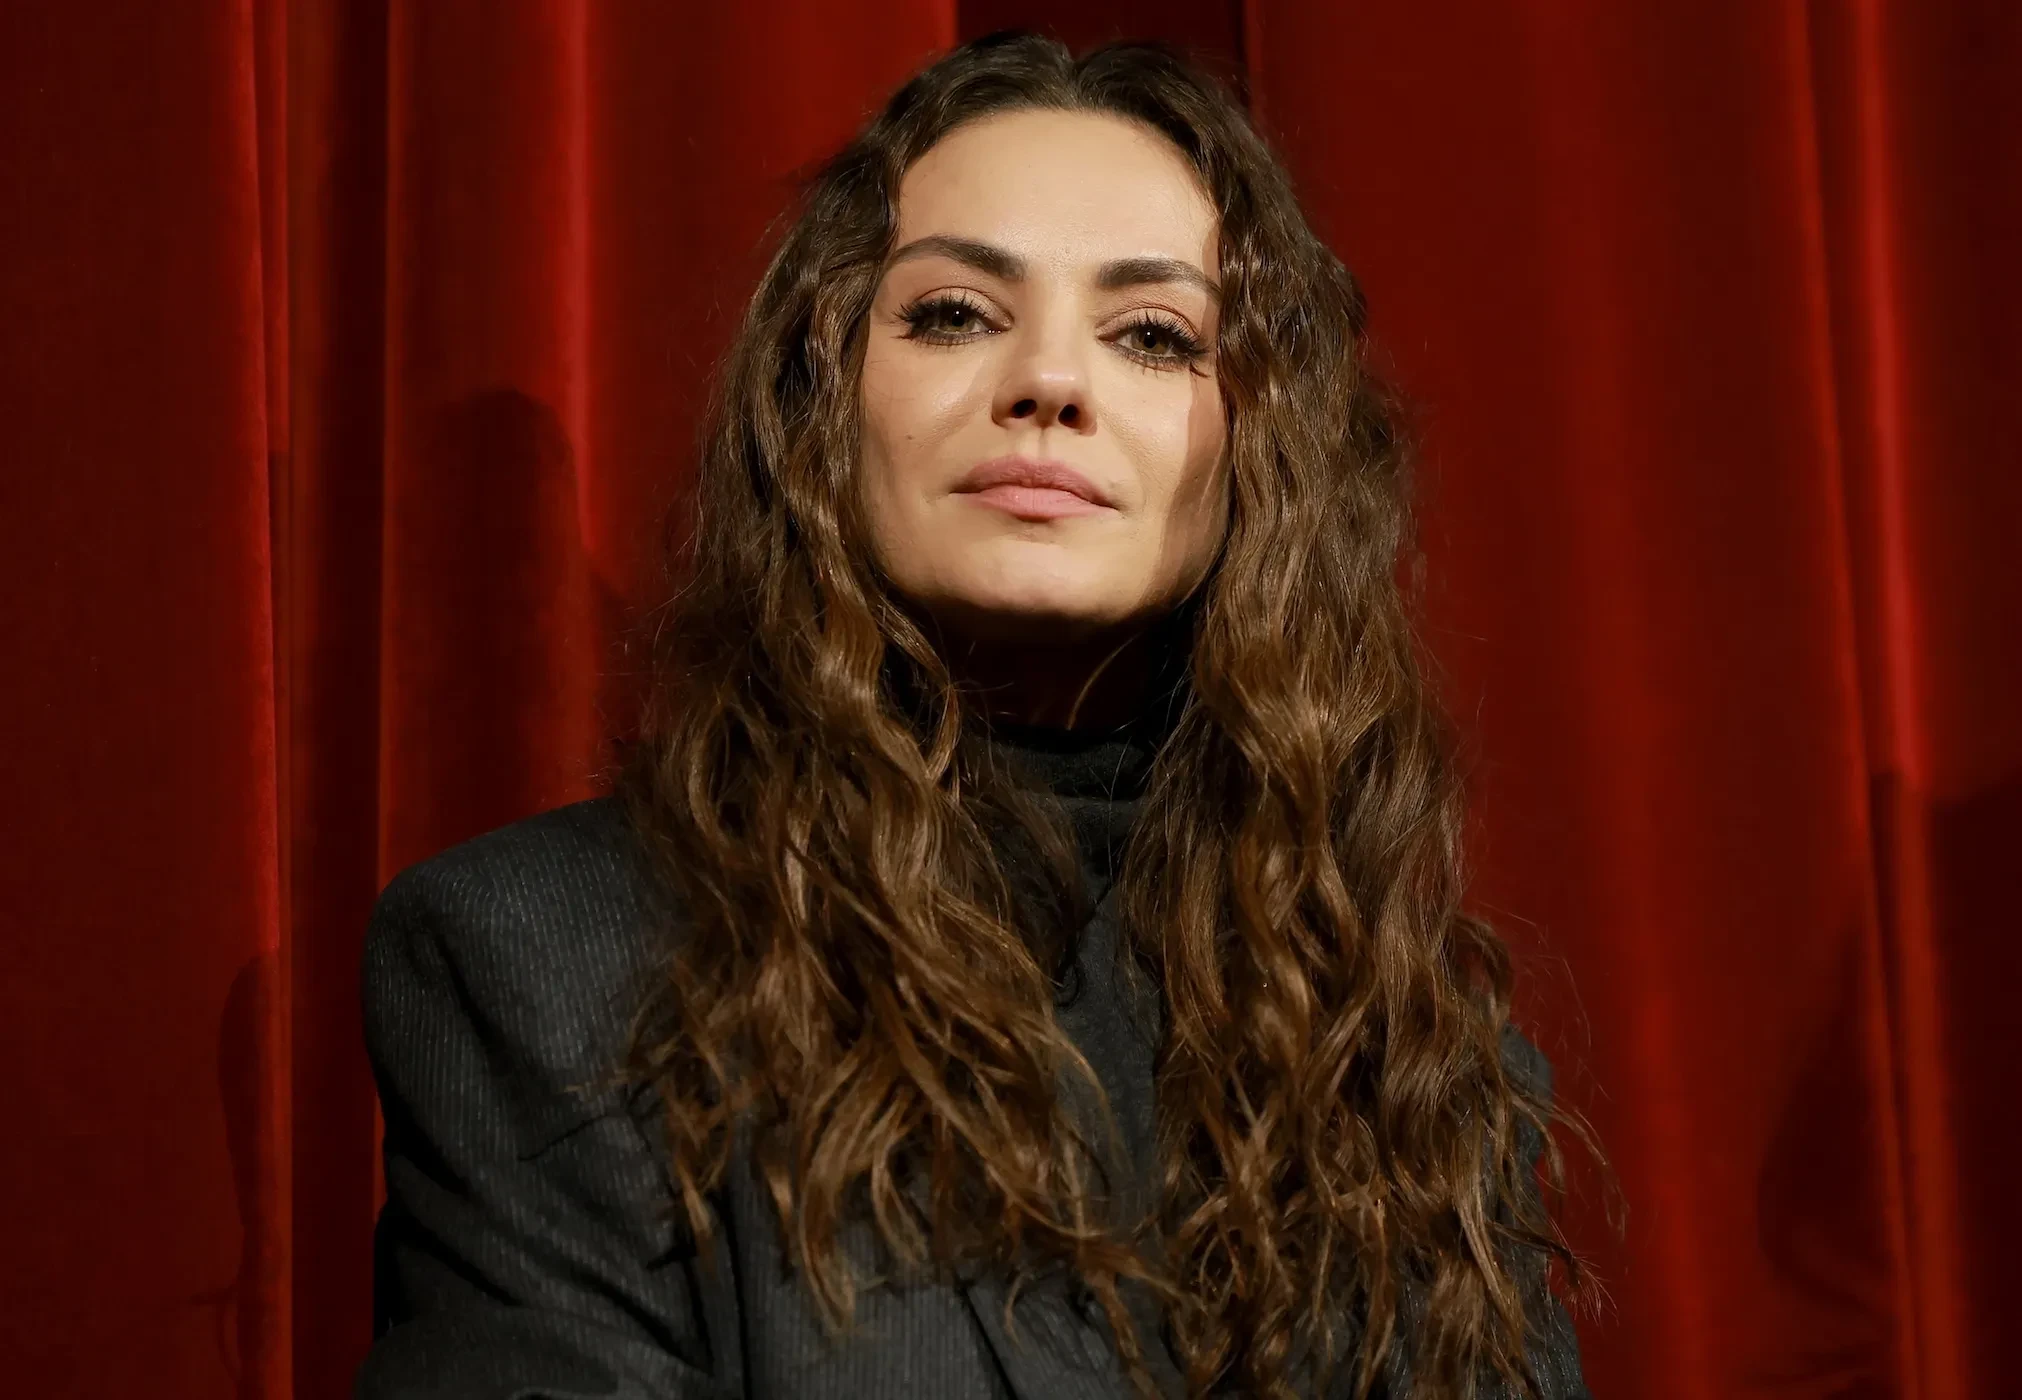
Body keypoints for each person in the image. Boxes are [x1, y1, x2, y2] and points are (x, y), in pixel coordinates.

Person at [356, 30, 1607, 1400]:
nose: (1049, 383)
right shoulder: (545, 964)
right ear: (821, 398)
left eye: (1154, 336)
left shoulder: (1415, 1054)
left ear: (1261, 448)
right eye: (954, 313)